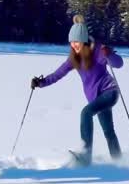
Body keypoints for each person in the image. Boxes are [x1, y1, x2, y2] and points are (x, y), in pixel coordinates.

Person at [30, 14, 124, 166]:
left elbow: (118, 64)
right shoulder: (74, 58)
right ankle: (120, 162)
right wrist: (41, 82)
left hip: (110, 92)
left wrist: (110, 54)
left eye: (77, 41)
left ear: (84, 40)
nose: (75, 45)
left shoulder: (98, 51)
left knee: (86, 113)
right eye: (72, 42)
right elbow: (58, 74)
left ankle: (85, 155)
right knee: (109, 131)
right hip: (96, 98)